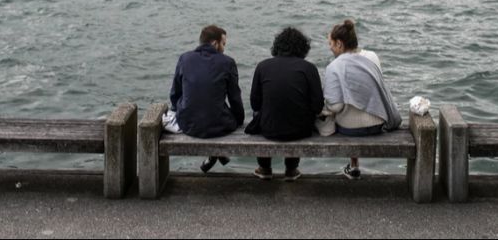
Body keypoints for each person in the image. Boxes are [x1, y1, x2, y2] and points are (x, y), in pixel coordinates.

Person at [323, 19, 401, 180]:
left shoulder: (334, 66)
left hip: (351, 130)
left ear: (339, 44)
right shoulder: (372, 57)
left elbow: (335, 106)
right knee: (357, 103)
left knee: (337, 114)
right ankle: (354, 166)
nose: (329, 47)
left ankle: (353, 166)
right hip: (378, 123)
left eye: (330, 43)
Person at [245, 27, 324, 181]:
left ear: (277, 46)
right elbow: (317, 106)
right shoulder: (308, 68)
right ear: (303, 48)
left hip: (269, 129)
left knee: (262, 113)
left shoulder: (263, 66)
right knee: (296, 112)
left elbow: (255, 104)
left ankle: (264, 168)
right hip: (300, 130)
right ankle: (291, 169)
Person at [169, 25, 244, 172]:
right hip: (219, 126)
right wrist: (239, 120)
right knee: (217, 111)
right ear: (215, 43)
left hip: (188, 124)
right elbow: (235, 98)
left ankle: (216, 155)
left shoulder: (184, 59)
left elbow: (175, 94)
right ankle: (216, 154)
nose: (223, 48)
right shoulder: (227, 62)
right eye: (223, 44)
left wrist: (178, 111)